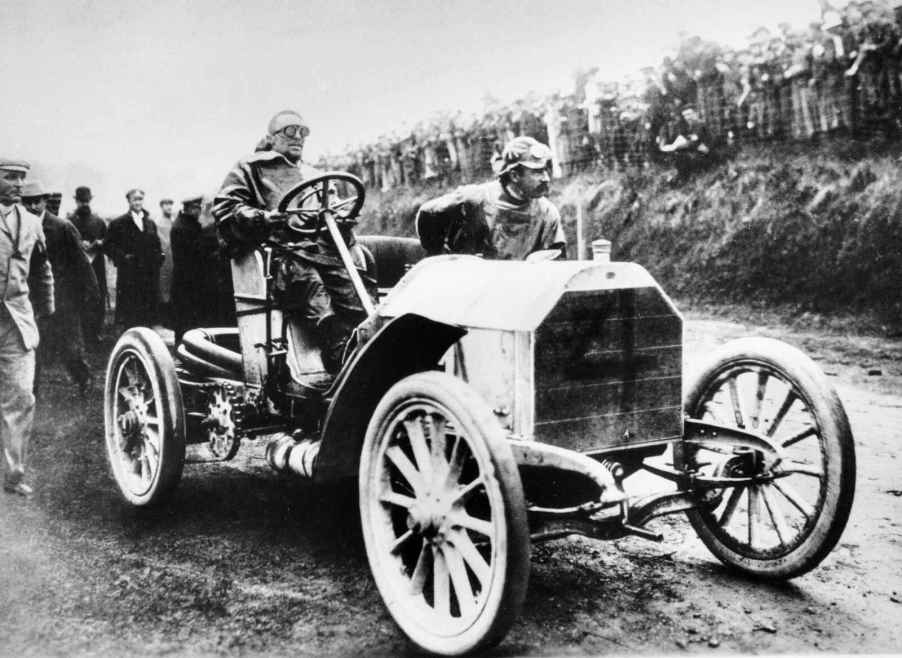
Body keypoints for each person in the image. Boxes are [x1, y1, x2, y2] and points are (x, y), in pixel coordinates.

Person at [213, 109, 374, 375]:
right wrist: (264, 218)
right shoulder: (251, 167)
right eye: (290, 131)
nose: (298, 137)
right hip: (278, 253)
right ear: (271, 137)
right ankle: (337, 349)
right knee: (307, 279)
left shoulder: (313, 173)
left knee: (354, 285)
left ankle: (368, 341)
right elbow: (226, 209)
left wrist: (342, 219)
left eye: (303, 132)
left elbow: (332, 208)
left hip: (321, 250)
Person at [415, 136, 566, 260]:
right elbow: (428, 213)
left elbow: (556, 258)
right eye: (537, 172)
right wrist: (439, 255)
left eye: (545, 171)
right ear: (514, 175)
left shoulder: (547, 213)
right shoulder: (475, 199)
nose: (546, 178)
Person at [0, 159, 54, 497]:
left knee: (21, 397)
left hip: (17, 323)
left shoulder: (33, 223)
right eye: (10, 177)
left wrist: (47, 309)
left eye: (22, 178)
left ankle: (14, 474)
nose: (19, 184)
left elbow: (43, 268)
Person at [21, 181, 99, 395]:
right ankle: (31, 391)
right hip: (32, 296)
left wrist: (91, 293)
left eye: (37, 201)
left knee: (70, 346)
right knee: (32, 346)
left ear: (45, 201)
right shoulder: (20, 227)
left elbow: (81, 262)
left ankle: (83, 379)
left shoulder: (61, 227)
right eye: (27, 202)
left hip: (63, 297)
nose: (33, 206)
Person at [104, 188, 164, 330]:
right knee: (130, 313)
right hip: (129, 276)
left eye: (140, 199)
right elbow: (108, 245)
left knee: (147, 312)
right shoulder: (119, 223)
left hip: (148, 275)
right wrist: (123, 258)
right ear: (129, 201)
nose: (138, 202)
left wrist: (159, 256)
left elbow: (156, 244)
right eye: (135, 199)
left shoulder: (150, 223)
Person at [68, 186, 107, 345]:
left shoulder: (98, 221)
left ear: (90, 200)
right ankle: (82, 334)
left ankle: (95, 333)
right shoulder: (69, 221)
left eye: (86, 201)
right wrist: (78, 244)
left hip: (96, 265)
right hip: (77, 267)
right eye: (81, 201)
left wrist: (99, 243)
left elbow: (108, 241)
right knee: (79, 298)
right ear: (76, 201)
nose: (84, 204)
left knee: (98, 296)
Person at [170, 195, 209, 343]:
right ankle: (182, 350)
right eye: (196, 208)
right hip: (186, 281)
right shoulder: (183, 227)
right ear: (188, 208)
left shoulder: (187, 224)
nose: (199, 211)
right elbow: (194, 254)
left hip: (187, 281)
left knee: (187, 319)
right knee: (184, 320)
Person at [157, 198, 175, 327]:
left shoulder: (174, 220)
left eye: (170, 204)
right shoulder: (158, 223)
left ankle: (172, 317)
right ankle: (164, 318)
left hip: (174, 258)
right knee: (164, 286)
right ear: (161, 206)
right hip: (164, 259)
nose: (169, 207)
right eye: (166, 205)